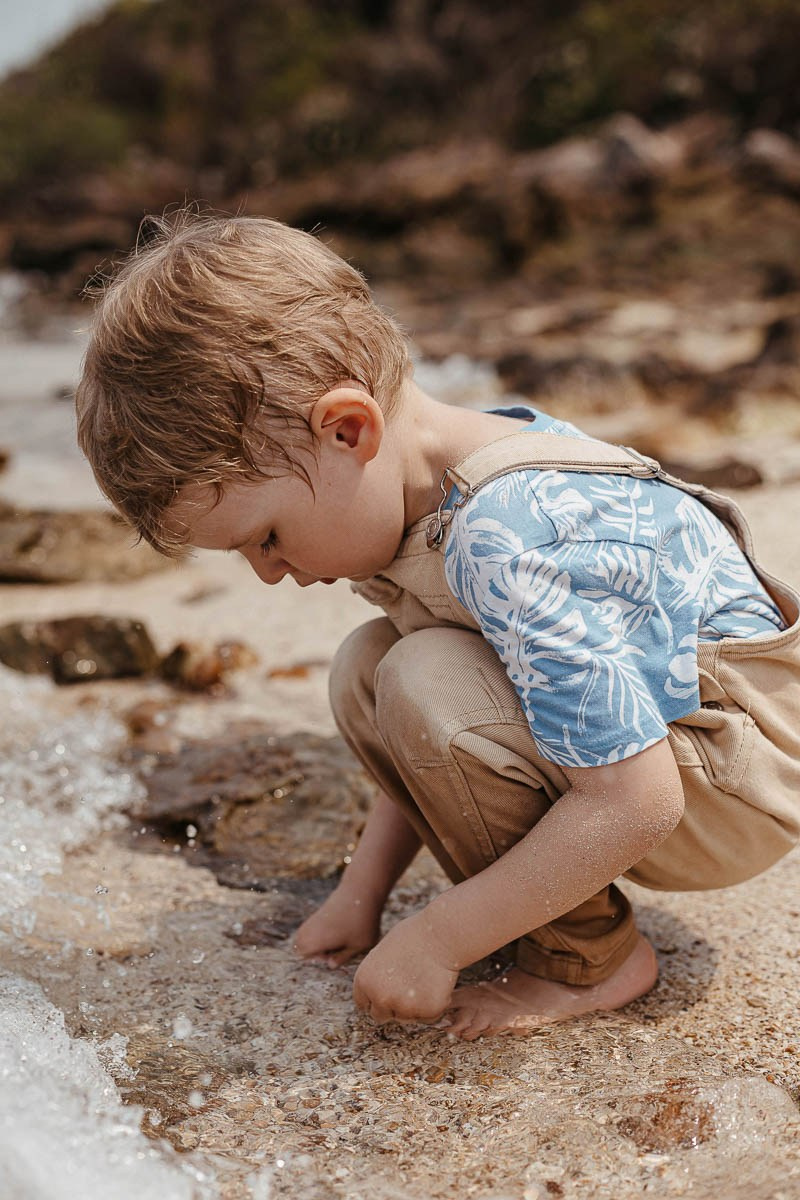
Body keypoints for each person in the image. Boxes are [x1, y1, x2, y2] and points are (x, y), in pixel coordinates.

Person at [76, 211, 800, 1039]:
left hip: (738, 777)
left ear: (348, 429)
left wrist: (439, 937)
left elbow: (636, 801)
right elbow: (421, 737)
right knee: (372, 666)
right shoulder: (413, 494)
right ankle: (544, 919)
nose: (269, 573)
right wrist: (363, 896)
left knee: (419, 675)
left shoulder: (505, 534)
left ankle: (587, 962)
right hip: (669, 750)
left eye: (265, 537)